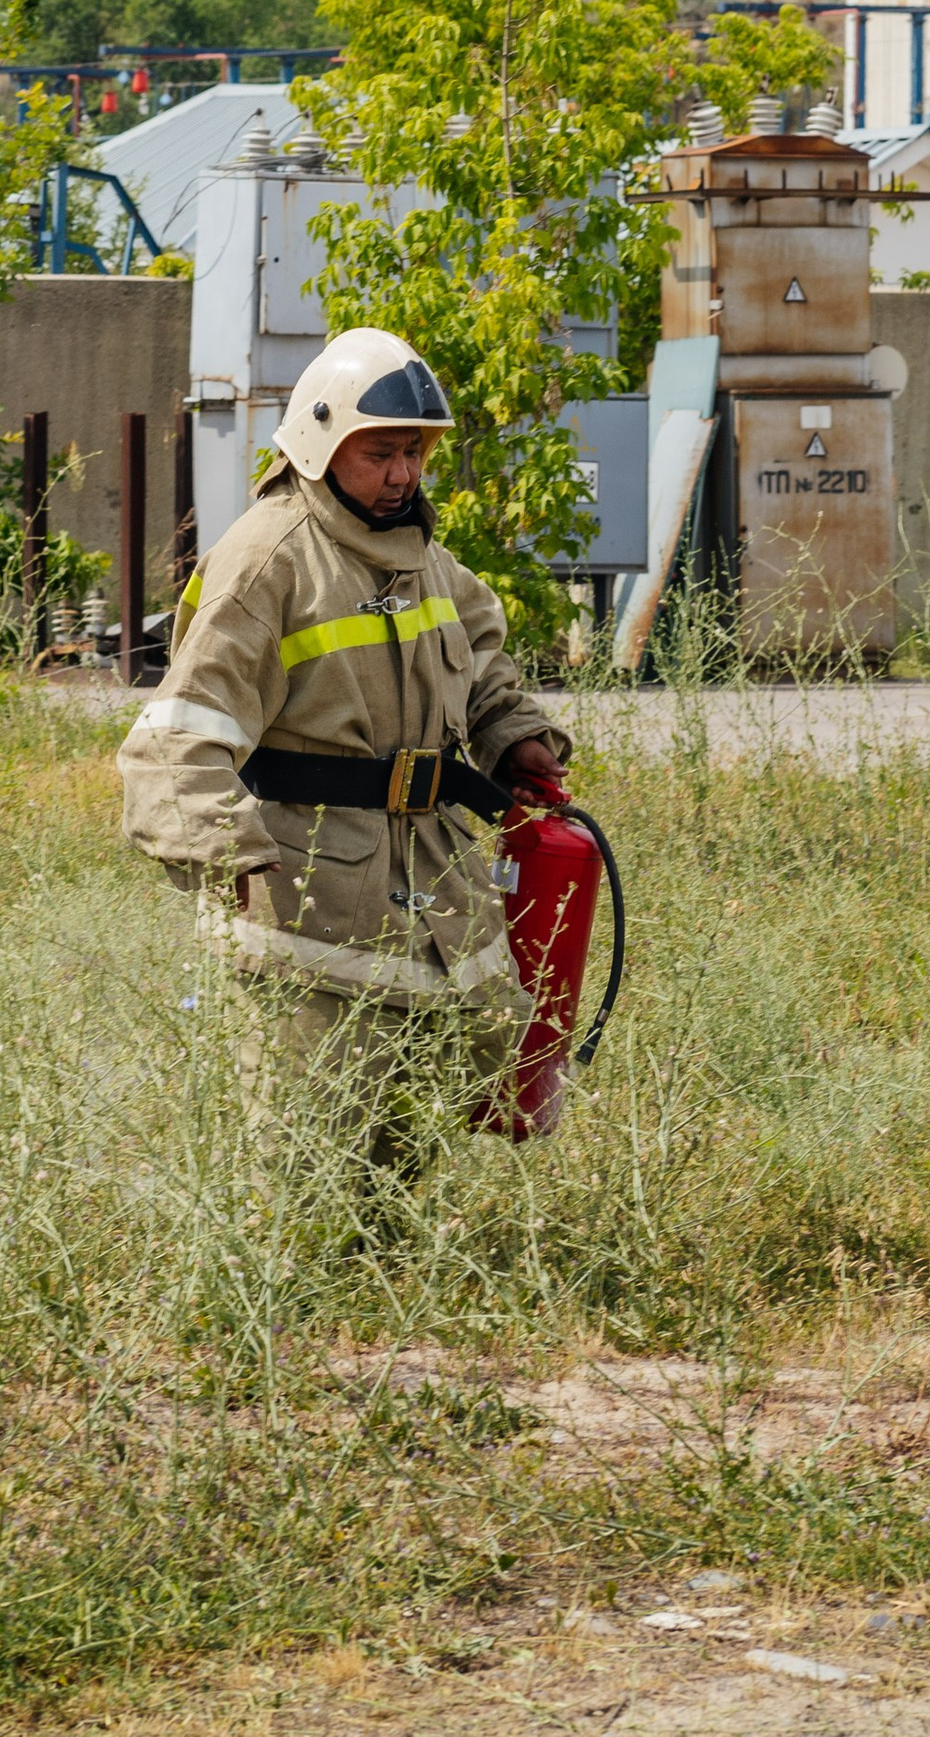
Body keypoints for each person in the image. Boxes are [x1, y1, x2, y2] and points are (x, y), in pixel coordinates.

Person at [118, 326, 571, 1209]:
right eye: (383, 452)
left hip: (431, 885)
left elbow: (480, 661)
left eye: (416, 453)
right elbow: (178, 736)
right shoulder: (268, 561)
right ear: (322, 440)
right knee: (303, 1178)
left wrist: (511, 733)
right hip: (307, 905)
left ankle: (382, 1314)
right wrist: (232, 857)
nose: (404, 473)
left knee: (404, 1168)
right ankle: (290, 1328)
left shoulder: (426, 560)